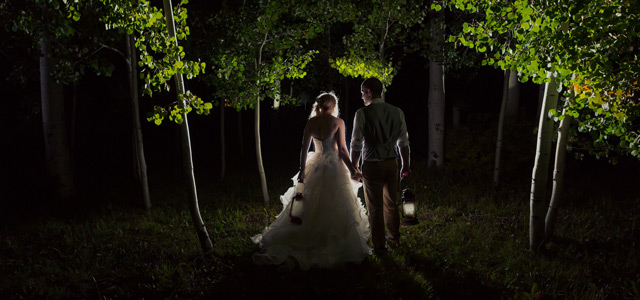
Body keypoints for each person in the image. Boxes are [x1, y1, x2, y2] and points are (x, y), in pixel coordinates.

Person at [251, 91, 371, 271]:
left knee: (310, 204)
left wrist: (302, 172)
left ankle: (305, 237)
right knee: (335, 203)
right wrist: (354, 169)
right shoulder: (338, 122)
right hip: (333, 166)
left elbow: (304, 149)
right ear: (333, 106)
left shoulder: (311, 122)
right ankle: (328, 239)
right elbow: (342, 151)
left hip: (314, 164)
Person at [350, 77, 411, 255]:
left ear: (369, 91)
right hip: (392, 163)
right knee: (391, 203)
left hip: (372, 164)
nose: (361, 96)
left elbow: (356, 143)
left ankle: (379, 246)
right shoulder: (397, 111)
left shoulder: (362, 113)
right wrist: (405, 165)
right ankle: (394, 238)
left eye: (362, 92)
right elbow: (404, 142)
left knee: (375, 207)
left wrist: (354, 166)